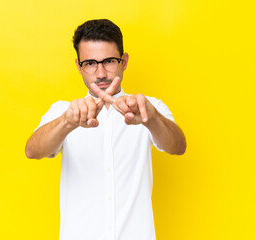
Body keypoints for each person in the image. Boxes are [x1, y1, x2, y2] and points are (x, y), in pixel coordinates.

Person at [25, 19, 186, 240]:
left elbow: (178, 147)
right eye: (90, 63)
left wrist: (151, 119)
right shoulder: (64, 111)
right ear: (79, 66)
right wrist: (67, 122)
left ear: (124, 61)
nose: (100, 73)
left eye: (109, 61)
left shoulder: (148, 106)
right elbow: (32, 151)